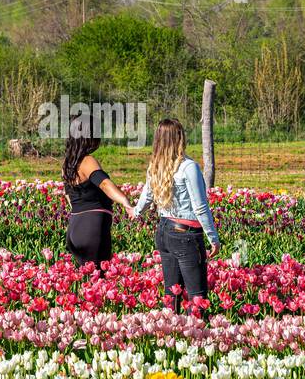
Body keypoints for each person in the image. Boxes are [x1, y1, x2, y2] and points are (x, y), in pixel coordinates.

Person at [132, 118, 219, 314]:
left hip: (164, 232)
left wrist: (136, 212)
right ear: (180, 138)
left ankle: (172, 333)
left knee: (172, 294)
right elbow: (200, 207)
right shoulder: (188, 166)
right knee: (197, 296)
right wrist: (213, 238)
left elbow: (146, 197)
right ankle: (195, 337)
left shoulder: (155, 165)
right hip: (186, 234)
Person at [63, 119, 136, 268]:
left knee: (86, 281)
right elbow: (103, 183)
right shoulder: (87, 161)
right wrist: (125, 201)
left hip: (75, 227)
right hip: (92, 228)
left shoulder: (67, 164)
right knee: (99, 283)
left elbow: (68, 196)